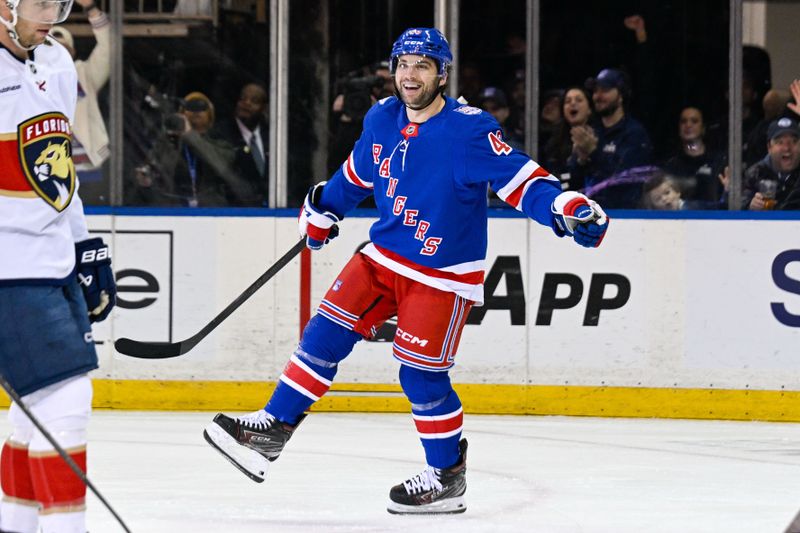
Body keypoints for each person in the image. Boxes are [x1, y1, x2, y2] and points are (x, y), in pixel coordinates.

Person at [203, 27, 609, 515]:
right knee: (322, 334)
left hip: (442, 274)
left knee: (420, 377)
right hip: (384, 258)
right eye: (402, 63)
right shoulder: (382, 118)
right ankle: (271, 431)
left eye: (422, 64)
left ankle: (446, 476)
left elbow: (523, 180)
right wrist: (324, 208)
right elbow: (356, 174)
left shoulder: (469, 129)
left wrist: (566, 206)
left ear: (442, 73)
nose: (409, 74)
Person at [0, 1, 117, 532]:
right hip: (10, 269)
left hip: (54, 264)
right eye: (40, 2)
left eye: (59, 2)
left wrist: (85, 248)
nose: (52, 13)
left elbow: (57, 171)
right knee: (66, 396)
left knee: (34, 407)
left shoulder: (57, 62)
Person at [49, 0, 110, 204]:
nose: (55, 52)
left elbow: (108, 47)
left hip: (89, 172)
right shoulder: (30, 78)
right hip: (48, 175)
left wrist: (91, 10)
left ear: (72, 53)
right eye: (50, 47)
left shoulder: (83, 74)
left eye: (62, 48)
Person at [567, 67, 654, 208]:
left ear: (621, 96)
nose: (598, 96)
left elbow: (624, 181)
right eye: (595, 91)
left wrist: (593, 152)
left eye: (605, 90)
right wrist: (581, 160)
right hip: (590, 213)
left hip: (623, 215)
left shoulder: (634, 133)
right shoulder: (591, 131)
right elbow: (573, 180)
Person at [213, 82, 269, 206]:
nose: (246, 103)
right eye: (243, 98)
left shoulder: (272, 136)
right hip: (233, 212)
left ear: (264, 108)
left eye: (254, 100)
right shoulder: (221, 133)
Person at [660, 107, 725, 208]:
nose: (688, 125)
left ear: (703, 128)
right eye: (683, 121)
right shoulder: (671, 164)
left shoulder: (718, 162)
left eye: (694, 121)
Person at [741, 117, 800, 211]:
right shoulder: (756, 172)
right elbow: (738, 206)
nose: (787, 148)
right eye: (780, 142)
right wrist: (750, 205)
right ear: (769, 147)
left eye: (793, 142)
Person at [543, 85, 595, 189]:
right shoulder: (555, 141)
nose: (572, 103)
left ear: (589, 109)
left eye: (579, 100)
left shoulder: (598, 136)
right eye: (567, 101)